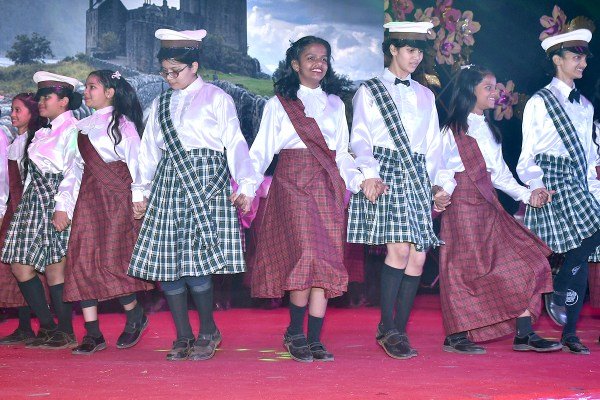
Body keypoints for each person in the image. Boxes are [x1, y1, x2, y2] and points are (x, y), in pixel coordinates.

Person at [128, 28, 259, 361]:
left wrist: (245, 185)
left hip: (206, 182)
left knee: (196, 263)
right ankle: (183, 335)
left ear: (194, 66)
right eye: (165, 72)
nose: (169, 77)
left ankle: (208, 331)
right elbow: (148, 151)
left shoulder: (217, 98)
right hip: (168, 183)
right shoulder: (159, 104)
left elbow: (235, 142)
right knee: (168, 263)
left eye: (176, 71)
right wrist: (140, 191)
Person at [249, 36, 367, 363]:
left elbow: (341, 153)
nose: (318, 63)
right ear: (295, 64)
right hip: (293, 184)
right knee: (305, 255)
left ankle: (314, 337)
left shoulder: (335, 104)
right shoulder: (279, 104)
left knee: (326, 260)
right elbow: (261, 151)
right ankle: (295, 332)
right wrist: (247, 187)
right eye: (311, 57)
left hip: (327, 186)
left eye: (324, 58)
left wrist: (358, 180)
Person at [436, 65, 562, 354]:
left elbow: (501, 175)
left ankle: (524, 334)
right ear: (470, 90)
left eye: (496, 87)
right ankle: (456, 335)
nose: (496, 93)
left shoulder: (490, 129)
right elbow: (441, 170)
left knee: (526, 260)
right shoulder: (451, 130)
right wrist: (441, 194)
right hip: (461, 203)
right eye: (488, 87)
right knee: (462, 268)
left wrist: (529, 195)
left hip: (488, 201)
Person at [347, 21, 442, 359]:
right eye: (410, 50)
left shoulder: (426, 94)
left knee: (418, 255)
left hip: (417, 173)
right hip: (386, 170)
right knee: (399, 250)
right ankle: (388, 328)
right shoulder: (369, 90)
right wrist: (369, 173)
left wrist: (438, 183)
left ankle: (397, 329)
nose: (416, 57)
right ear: (393, 49)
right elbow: (360, 138)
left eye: (419, 51)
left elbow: (433, 145)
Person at [517, 28, 599, 355]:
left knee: (581, 252)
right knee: (540, 254)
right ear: (557, 59)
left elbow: (590, 159)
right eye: (576, 57)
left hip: (577, 181)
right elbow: (526, 155)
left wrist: (594, 188)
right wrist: (536, 185)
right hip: (550, 181)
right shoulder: (540, 102)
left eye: (584, 58)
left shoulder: (585, 106)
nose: (583, 63)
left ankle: (570, 331)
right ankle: (526, 329)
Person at [61, 70, 154, 355]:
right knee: (82, 260)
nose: (86, 92)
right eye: (86, 87)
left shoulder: (122, 124)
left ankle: (135, 313)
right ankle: (93, 333)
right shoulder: (80, 128)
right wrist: (63, 205)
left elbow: (138, 162)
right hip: (88, 200)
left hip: (117, 198)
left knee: (114, 262)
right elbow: (73, 171)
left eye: (92, 87)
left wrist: (139, 197)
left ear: (110, 92)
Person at [1, 72, 82, 349]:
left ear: (64, 101)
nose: (42, 102)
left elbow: (73, 171)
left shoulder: (72, 129)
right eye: (40, 98)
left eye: (47, 97)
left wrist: (62, 207)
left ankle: (65, 330)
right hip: (33, 200)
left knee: (55, 267)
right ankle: (47, 325)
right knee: (20, 265)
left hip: (55, 198)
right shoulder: (44, 131)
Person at [0, 93, 45, 345]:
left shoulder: (34, 141)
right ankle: (25, 325)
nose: (13, 114)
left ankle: (49, 325)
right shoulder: (16, 142)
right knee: (14, 269)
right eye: (12, 110)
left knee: (28, 267)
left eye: (18, 110)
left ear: (32, 113)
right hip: (14, 208)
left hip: (28, 209)